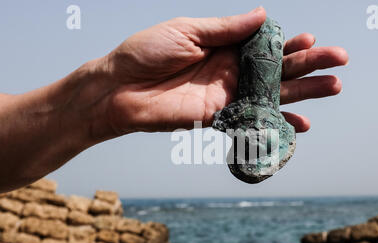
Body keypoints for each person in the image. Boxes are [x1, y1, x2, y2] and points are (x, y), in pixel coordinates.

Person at [0, 7, 348, 193]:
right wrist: (109, 86)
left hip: (258, 109)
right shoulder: (247, 115)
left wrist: (105, 93)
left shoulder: (251, 116)